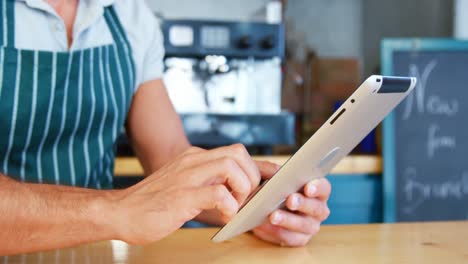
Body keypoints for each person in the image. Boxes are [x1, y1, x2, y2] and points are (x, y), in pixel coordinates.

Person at [0, 0, 331, 255]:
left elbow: (168, 156)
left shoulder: (129, 17)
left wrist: (255, 206)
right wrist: (119, 209)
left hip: (95, 254)